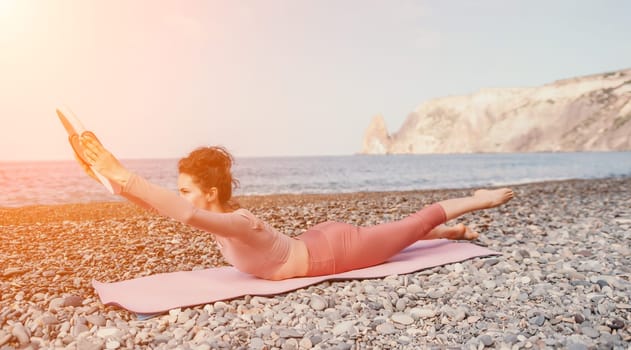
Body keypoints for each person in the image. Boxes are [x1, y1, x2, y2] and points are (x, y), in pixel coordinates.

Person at [77, 133, 514, 281]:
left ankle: (477, 201)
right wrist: (112, 180)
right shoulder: (220, 218)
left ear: (209, 192)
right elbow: (166, 208)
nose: (182, 197)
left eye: (187, 189)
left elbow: (184, 212)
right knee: (400, 235)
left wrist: (123, 173)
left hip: (335, 251)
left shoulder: (237, 222)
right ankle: (451, 235)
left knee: (411, 224)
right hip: (314, 241)